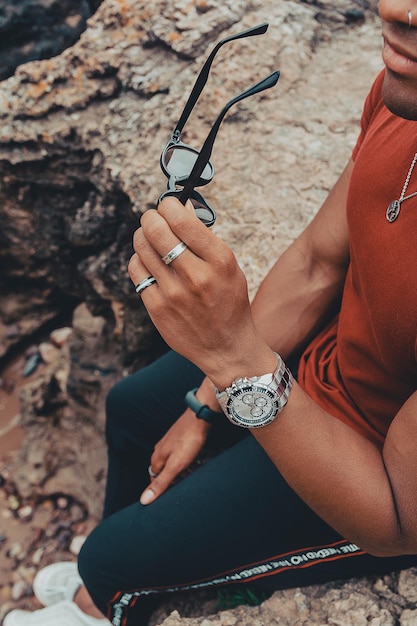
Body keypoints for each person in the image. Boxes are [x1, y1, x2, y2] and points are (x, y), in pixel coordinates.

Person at [4, 1, 417, 624]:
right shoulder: (403, 93)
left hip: (375, 465)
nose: (397, 12)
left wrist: (237, 363)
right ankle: (110, 586)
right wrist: (205, 400)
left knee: (112, 557)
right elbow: (317, 261)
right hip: (333, 364)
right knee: (134, 409)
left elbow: (395, 519)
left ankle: (107, 590)